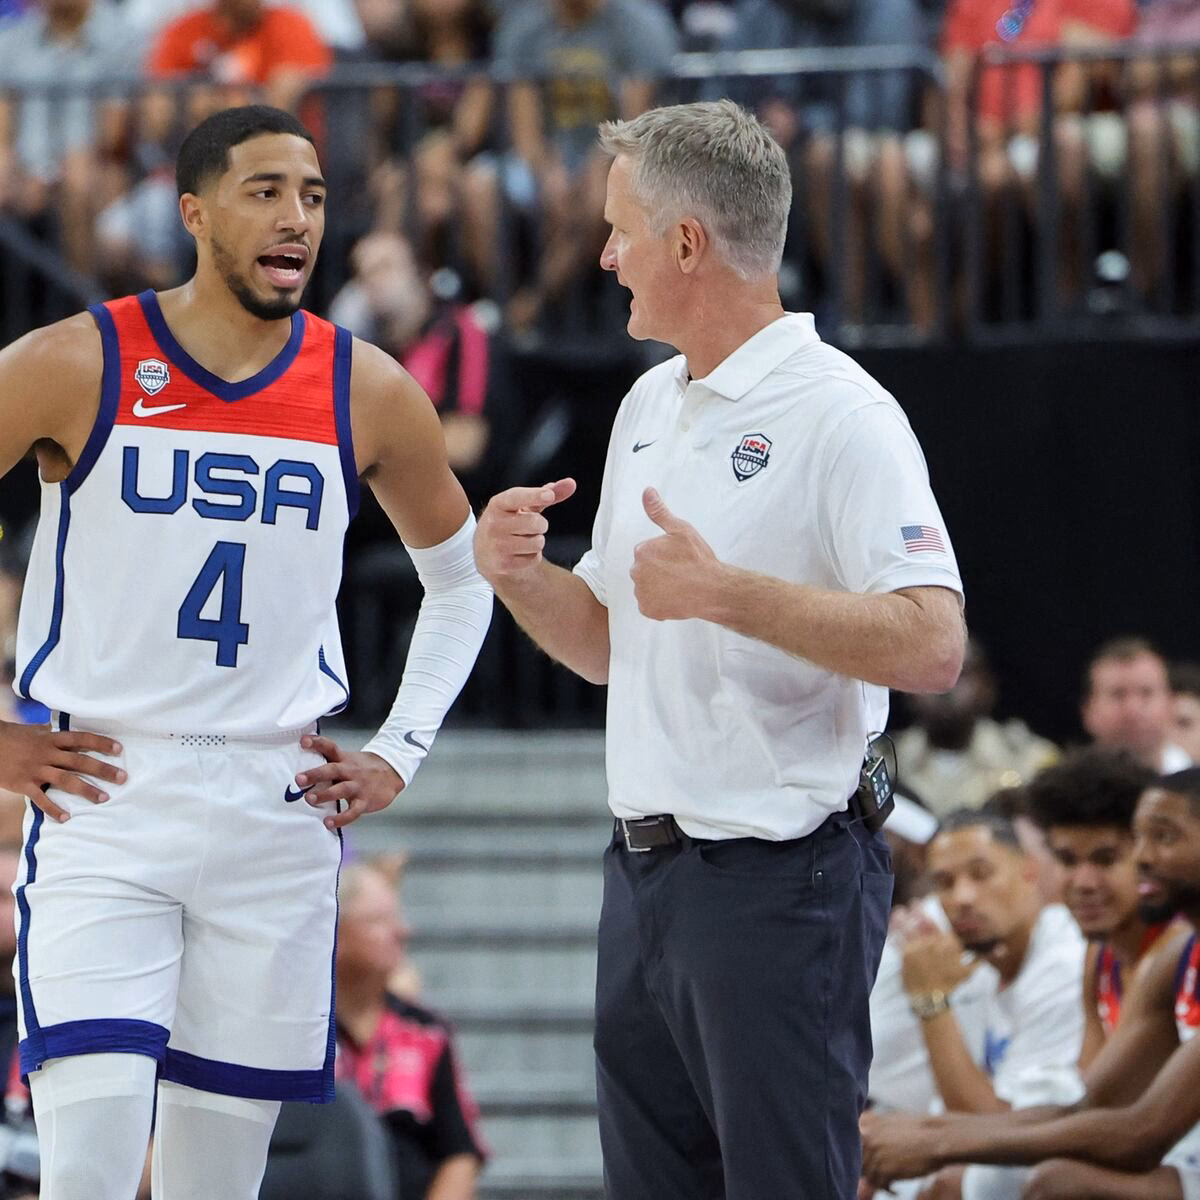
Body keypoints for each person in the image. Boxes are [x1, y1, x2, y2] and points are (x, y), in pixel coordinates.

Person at [474, 98, 966, 1198]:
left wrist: (727, 593)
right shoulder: (649, 400)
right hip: (644, 874)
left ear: (686, 244)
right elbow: (604, 644)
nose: (604, 256)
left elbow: (935, 646)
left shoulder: (847, 415)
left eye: (621, 230)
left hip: (781, 881)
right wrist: (519, 578)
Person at [0, 103, 492, 1200]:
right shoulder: (79, 359)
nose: (297, 219)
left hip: (276, 805)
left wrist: (402, 749)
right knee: (85, 1167)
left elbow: (461, 583)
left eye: (313, 197)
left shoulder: (364, 386)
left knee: (216, 1186)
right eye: (266, 190)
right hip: (107, 794)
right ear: (195, 212)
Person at [861, 768, 1200, 1200]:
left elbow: (1139, 1134)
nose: (1145, 858)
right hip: (1177, 1160)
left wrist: (938, 1144)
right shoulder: (1145, 960)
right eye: (1068, 860)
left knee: (1055, 1184)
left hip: (1171, 1157)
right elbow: (1090, 1107)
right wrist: (925, 1131)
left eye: (1163, 839)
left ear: (1026, 873)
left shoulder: (1065, 953)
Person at [335, 861, 487, 1199]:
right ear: (335, 933)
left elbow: (460, 1154)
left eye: (397, 918)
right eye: (379, 921)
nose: (403, 931)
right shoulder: (302, 1032)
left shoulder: (425, 1032)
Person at [1023, 747, 1166, 1068]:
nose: (1084, 882)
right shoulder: (1099, 957)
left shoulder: (1182, 948)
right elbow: (1091, 1099)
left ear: (1148, 858)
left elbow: (1140, 1117)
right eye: (1067, 860)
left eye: (1105, 860)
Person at [895, 638, 1059, 818]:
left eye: (960, 674)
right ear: (907, 687)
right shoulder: (885, 761)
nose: (945, 688)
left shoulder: (1029, 761)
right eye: (929, 673)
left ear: (986, 687)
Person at [1082, 637, 1191, 772]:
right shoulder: (1061, 790)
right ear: (1088, 710)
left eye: (1146, 693)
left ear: (1170, 703)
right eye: (1118, 694)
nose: (1133, 709)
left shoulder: (1195, 785)